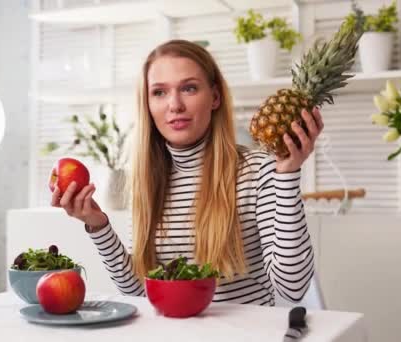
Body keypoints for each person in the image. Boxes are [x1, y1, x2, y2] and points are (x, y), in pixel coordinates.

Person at [51, 39, 323, 306]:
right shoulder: (147, 181)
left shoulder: (258, 170)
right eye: (159, 92)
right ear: (147, 104)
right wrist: (98, 224)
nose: (175, 105)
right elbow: (137, 290)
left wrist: (287, 175)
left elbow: (293, 287)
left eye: (189, 88)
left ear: (215, 97)